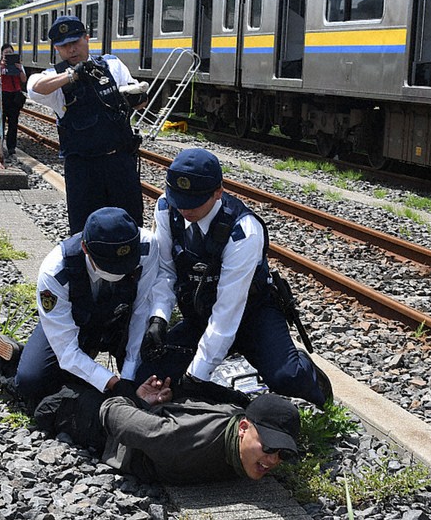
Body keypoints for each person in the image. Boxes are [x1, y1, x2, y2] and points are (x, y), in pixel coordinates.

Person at [136, 147, 333, 408]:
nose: (184, 209)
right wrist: (159, 317)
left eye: (193, 202)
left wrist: (195, 377)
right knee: (149, 374)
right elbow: (167, 272)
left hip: (252, 315)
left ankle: (307, 371)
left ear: (218, 192)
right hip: (200, 314)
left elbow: (227, 314)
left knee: (288, 378)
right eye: (178, 199)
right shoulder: (165, 208)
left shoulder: (244, 232)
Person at [0, 207, 171, 409]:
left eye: (126, 266)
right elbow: (66, 350)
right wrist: (114, 383)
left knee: (150, 377)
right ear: (85, 248)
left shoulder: (146, 246)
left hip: (121, 322)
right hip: (75, 326)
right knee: (32, 383)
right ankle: (7, 364)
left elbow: (141, 312)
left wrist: (129, 377)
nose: (119, 273)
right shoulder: (55, 272)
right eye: (110, 267)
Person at [33, 376, 301, 485]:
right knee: (45, 405)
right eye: (268, 447)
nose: (273, 460)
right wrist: (131, 401)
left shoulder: (245, 447)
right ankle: (4, 368)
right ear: (243, 428)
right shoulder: (184, 438)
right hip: (109, 431)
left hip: (153, 410)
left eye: (282, 453)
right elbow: (124, 421)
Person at [26, 15, 147, 235]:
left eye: (75, 42)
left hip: (119, 161)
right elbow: (35, 88)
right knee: (85, 228)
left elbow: (135, 96)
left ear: (87, 38)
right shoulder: (56, 77)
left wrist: (138, 99)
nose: (71, 49)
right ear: (57, 49)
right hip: (83, 168)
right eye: (64, 46)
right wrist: (73, 75)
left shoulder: (112, 65)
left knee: (131, 223)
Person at [0, 43, 27, 156]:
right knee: (0, 121)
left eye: (10, 52)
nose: (8, 55)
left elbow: (24, 80)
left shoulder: (18, 65)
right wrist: (2, 66)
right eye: (6, 53)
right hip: (3, 94)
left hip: (15, 95)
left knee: (13, 122)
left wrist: (20, 69)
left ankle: (11, 146)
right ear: (2, 54)